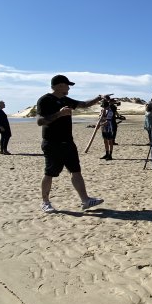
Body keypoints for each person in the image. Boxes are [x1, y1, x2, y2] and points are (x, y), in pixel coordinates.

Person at [36, 74, 105, 213]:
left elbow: (84, 104)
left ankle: (85, 200)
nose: (69, 88)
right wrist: (59, 114)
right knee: (49, 173)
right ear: (59, 86)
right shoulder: (45, 100)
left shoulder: (66, 100)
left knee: (76, 171)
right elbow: (40, 121)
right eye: (67, 85)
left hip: (68, 142)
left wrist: (98, 98)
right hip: (52, 143)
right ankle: (45, 202)